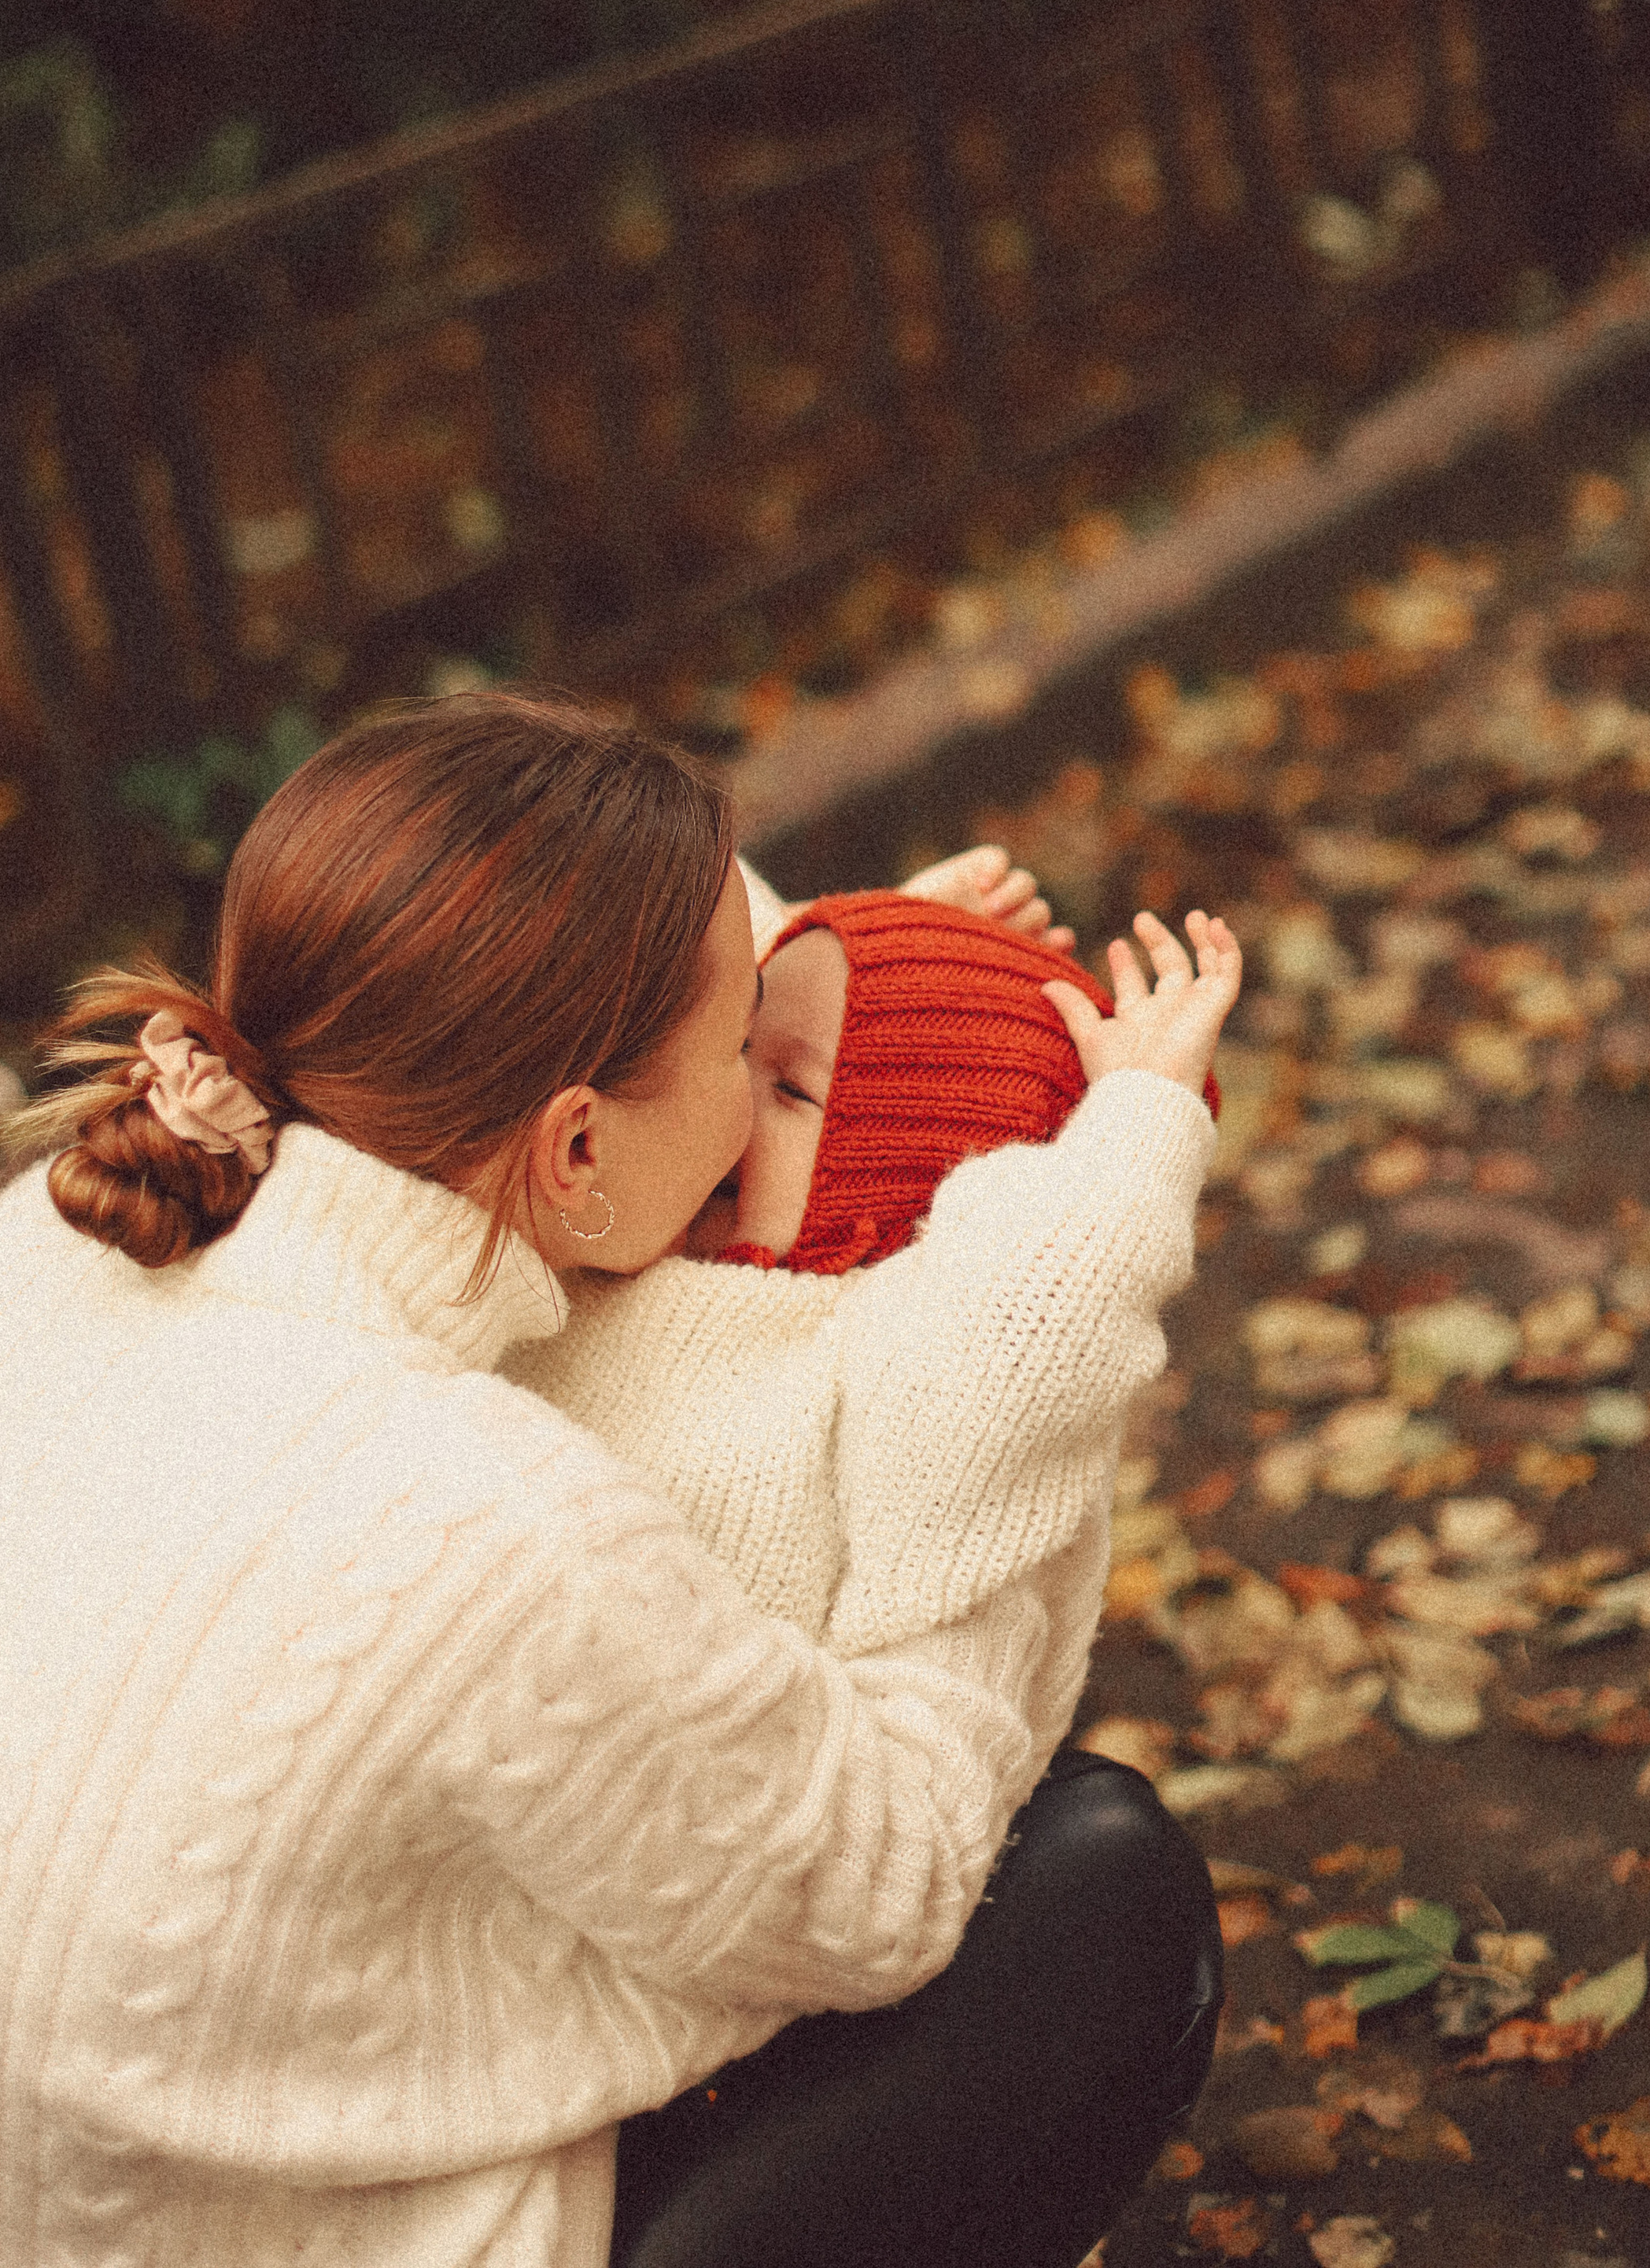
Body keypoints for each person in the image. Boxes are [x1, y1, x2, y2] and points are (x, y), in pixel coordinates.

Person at [0, 694, 1215, 2268]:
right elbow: (886, 1882)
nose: (760, 1080)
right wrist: (1014, 1384)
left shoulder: (34, 1241)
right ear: (570, 1151)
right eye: (742, 1053)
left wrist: (878, 991)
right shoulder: (484, 1522)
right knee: (1091, 1899)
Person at [504, 883, 1237, 2268]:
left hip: (738, 1913)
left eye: (787, 1091)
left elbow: (1037, 1302)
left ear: (923, 1164)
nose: (723, 1115)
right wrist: (873, 931)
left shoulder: (883, 1346)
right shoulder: (605, 1254)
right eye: (736, 1059)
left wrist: (1136, 1123)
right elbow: (669, 979)